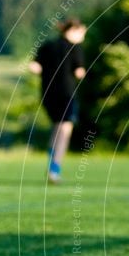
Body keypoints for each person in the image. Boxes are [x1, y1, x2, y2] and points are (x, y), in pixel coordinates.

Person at [29, 18, 87, 184]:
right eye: (82, 31)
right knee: (64, 130)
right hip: (66, 94)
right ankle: (55, 170)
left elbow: (34, 67)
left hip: (48, 94)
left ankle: (51, 166)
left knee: (56, 128)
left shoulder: (48, 45)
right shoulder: (75, 48)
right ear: (72, 31)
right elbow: (79, 72)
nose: (83, 35)